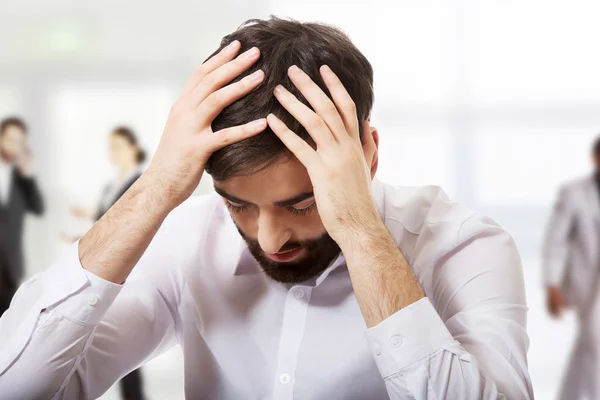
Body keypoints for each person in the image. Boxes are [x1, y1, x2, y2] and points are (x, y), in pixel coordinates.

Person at [0, 17, 533, 399]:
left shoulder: (464, 245)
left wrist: (360, 231)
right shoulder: (190, 241)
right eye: (239, 206)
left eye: (302, 203)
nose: (271, 238)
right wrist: (153, 190)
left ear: (367, 153)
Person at [64, 126, 148, 400]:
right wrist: (82, 235)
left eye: (119, 146)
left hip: (130, 270)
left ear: (133, 149)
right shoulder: (110, 185)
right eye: (110, 146)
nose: (113, 152)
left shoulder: (140, 181)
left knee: (126, 338)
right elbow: (106, 222)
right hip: (106, 268)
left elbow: (130, 225)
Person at [543, 136, 600, 399]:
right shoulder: (574, 193)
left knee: (588, 346)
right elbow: (555, 241)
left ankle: (569, 394)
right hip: (587, 283)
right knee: (595, 341)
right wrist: (551, 284)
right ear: (596, 158)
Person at [0, 117, 44, 317]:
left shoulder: (21, 178)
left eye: (19, 141)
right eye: (10, 139)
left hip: (10, 267)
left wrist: (27, 174)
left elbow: (38, 208)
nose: (14, 145)